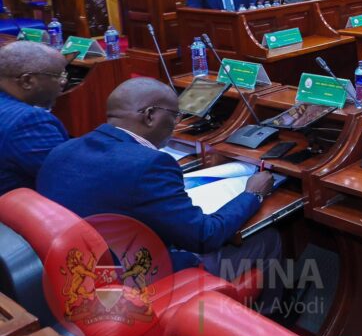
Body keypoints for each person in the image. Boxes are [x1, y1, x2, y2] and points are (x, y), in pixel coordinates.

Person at [38, 78, 280, 275]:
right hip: (132, 276)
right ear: (150, 115)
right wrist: (253, 193)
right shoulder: (149, 164)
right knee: (268, 238)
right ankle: (265, 318)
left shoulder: (64, 148)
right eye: (175, 116)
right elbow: (204, 237)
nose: (177, 124)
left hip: (72, 265)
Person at [0, 42, 69, 195]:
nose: (64, 82)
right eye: (58, 76)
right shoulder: (28, 122)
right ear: (27, 81)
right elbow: (67, 175)